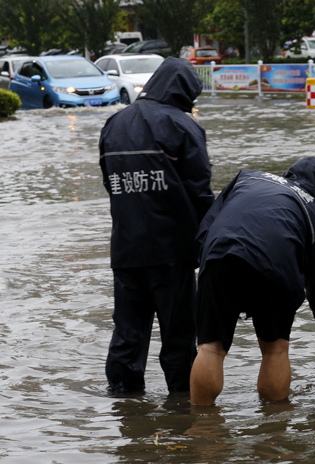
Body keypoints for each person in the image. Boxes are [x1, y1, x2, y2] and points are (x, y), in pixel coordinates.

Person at [99, 57, 214, 393]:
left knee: (127, 336)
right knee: (178, 337)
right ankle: (182, 413)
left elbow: (112, 185)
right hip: (171, 253)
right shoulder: (183, 126)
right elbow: (200, 194)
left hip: (126, 250)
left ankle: (125, 412)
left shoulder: (113, 124)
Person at [190, 157, 315, 405]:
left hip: (220, 253)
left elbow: (206, 227)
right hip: (276, 264)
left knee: (210, 348)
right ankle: (272, 430)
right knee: (275, 350)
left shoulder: (247, 177)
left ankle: (204, 430)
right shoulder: (311, 208)